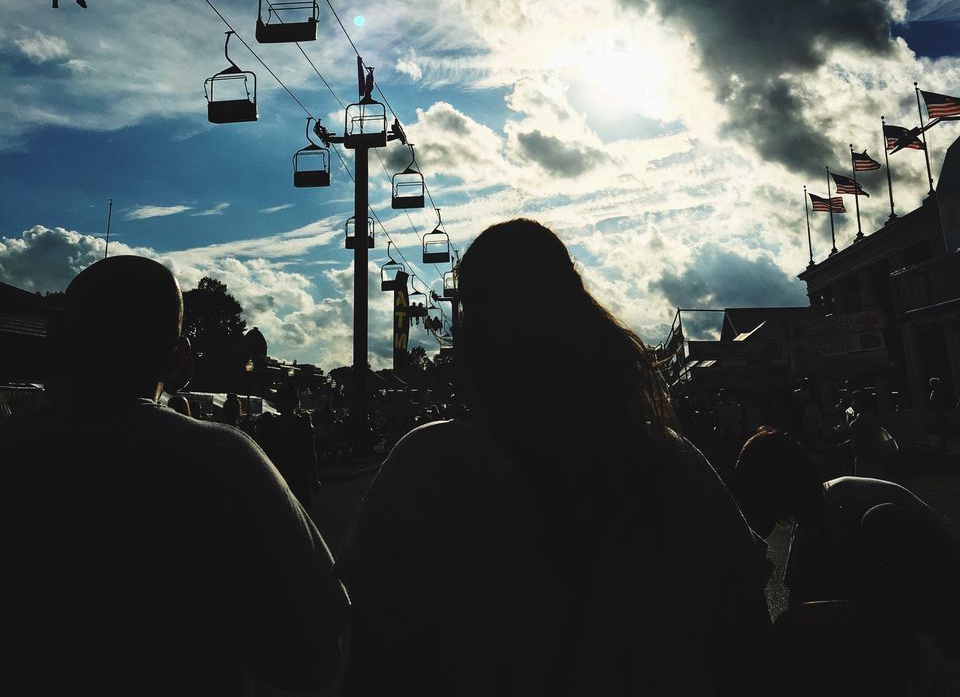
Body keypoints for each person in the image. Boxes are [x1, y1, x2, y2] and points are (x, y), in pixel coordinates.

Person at [337, 219, 773, 697]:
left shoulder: (431, 469)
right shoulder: (674, 463)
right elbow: (747, 637)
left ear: (479, 331)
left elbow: (373, 662)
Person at [0, 255, 348, 697]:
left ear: (58, 340)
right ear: (179, 357)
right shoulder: (225, 460)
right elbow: (319, 641)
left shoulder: (12, 452)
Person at [732, 426, 960, 687]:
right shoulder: (816, 521)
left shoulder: (856, 514)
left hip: (934, 638)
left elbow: (885, 614)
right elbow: (804, 596)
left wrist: (793, 621)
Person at [256, 380, 321, 508]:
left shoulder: (270, 426)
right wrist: (315, 478)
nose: (277, 403)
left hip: (279, 475)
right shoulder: (302, 425)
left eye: (280, 400)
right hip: (295, 475)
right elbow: (310, 453)